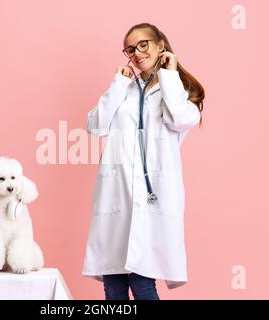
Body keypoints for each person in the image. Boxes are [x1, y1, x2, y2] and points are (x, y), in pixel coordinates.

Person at [82, 22, 205, 300]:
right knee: (113, 285)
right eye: (130, 49)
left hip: (153, 198)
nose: (136, 53)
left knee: (142, 283)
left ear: (160, 44)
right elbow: (95, 126)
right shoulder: (123, 89)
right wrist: (117, 84)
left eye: (143, 44)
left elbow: (179, 119)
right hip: (117, 195)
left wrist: (169, 74)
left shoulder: (178, 91)